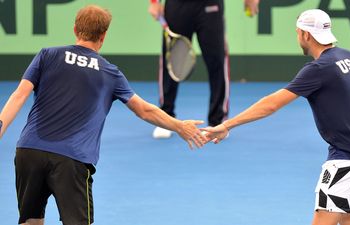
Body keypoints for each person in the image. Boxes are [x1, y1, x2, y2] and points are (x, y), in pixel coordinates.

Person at [0, 5, 206, 225]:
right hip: (71, 159)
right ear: (104, 36)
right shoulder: (110, 73)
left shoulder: (47, 55)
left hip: (29, 152)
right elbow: (144, 110)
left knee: (30, 221)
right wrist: (179, 126)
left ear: (75, 29)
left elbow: (19, 95)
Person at [203, 9, 350, 225]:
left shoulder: (318, 69)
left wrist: (227, 125)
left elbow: (270, 105)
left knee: (324, 219)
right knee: (346, 216)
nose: (297, 38)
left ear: (306, 35)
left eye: (298, 32)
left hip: (349, 159)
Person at [148, 0, 260, 138]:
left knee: (217, 61)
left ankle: (218, 122)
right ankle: (165, 118)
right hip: (177, 6)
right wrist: (154, 2)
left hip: (210, 5)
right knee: (172, 60)